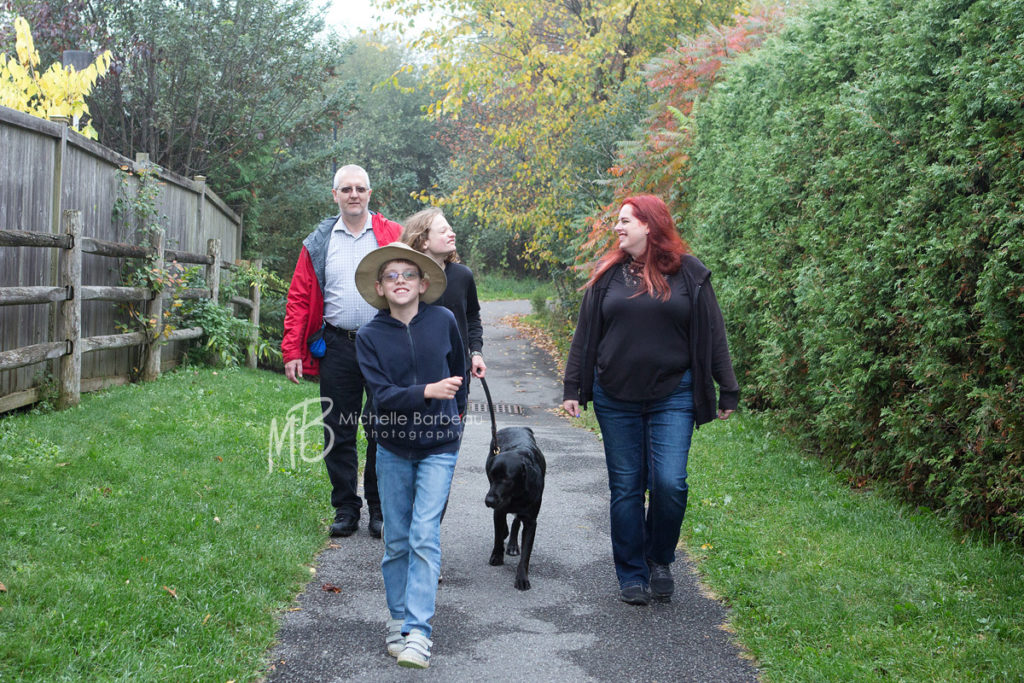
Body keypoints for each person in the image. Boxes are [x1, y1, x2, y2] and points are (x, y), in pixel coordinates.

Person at [561, 194, 739, 606]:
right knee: (626, 487)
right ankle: (632, 573)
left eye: (626, 221)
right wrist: (574, 387)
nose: (618, 228)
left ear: (650, 225)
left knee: (669, 484)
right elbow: (586, 334)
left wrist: (726, 387)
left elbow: (713, 334)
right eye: (618, 221)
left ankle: (659, 557)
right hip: (615, 396)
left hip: (673, 393)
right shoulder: (608, 274)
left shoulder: (689, 274)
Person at [353, 241, 467, 669]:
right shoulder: (369, 336)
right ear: (380, 288)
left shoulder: (444, 320)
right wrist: (428, 392)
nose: (400, 281)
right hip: (393, 446)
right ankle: (398, 618)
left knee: (424, 535)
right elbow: (381, 396)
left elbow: (458, 373)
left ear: (423, 283)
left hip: (440, 446)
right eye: (391, 276)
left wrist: (454, 416)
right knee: (396, 538)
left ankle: (419, 632)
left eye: (408, 275)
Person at [281, 164, 401, 539]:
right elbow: (299, 298)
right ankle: (346, 508)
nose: (353, 194)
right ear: (334, 195)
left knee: (383, 429)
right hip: (337, 346)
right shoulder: (318, 242)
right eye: (346, 189)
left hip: (385, 345)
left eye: (360, 188)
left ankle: (380, 510)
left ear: (369, 194)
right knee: (338, 429)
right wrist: (292, 350)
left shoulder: (391, 235)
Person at [400, 207, 486, 387]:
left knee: (455, 415)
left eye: (451, 229)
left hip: (457, 371)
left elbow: (472, 318)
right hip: (414, 374)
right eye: (443, 231)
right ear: (423, 241)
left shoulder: (463, 276)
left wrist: (476, 352)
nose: (452, 234)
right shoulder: (404, 280)